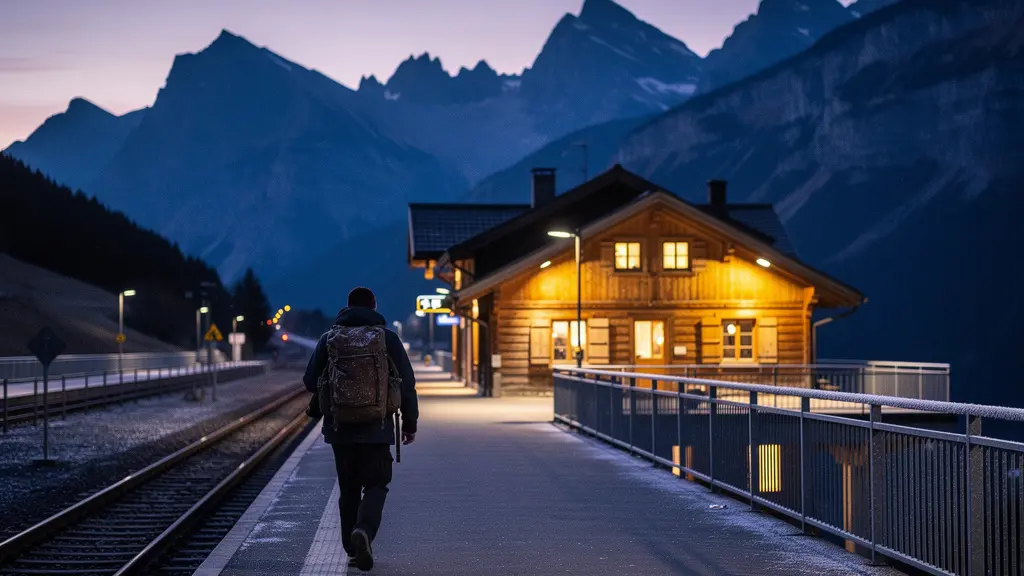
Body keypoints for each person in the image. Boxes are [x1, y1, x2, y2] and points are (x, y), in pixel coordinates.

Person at [303, 286, 418, 571]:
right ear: (374, 306)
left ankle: (351, 550)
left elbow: (308, 380)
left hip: (340, 429)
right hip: (377, 428)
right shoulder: (387, 338)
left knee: (349, 488)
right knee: (377, 484)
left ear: (347, 307)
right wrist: (410, 423)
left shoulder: (329, 338)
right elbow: (407, 383)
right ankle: (364, 532)